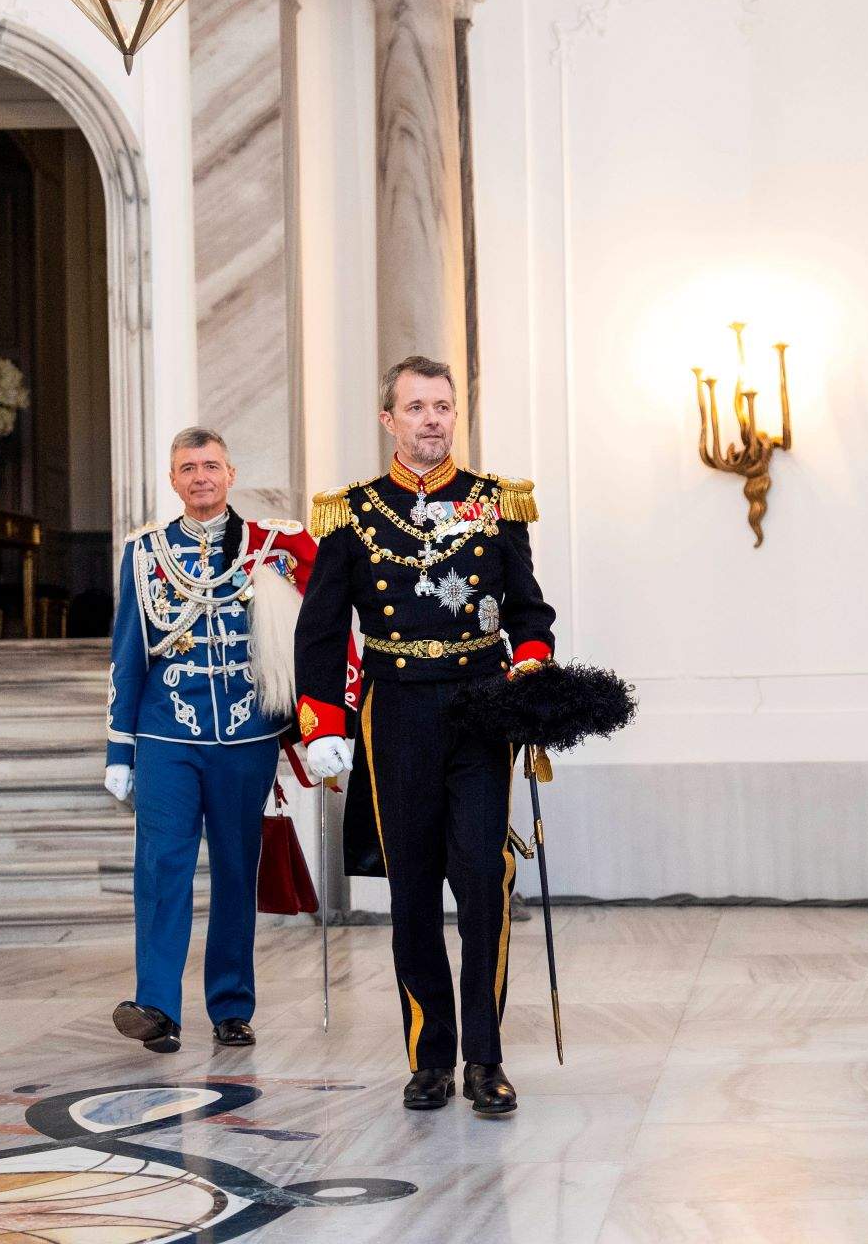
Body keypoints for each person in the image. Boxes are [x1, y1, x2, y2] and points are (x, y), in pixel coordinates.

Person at [293, 355, 556, 1119]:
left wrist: (533, 669)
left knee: (482, 880)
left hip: (480, 708)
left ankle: (486, 1060)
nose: (432, 420)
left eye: (442, 406)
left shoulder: (495, 504)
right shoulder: (350, 513)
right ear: (389, 420)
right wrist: (323, 724)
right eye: (416, 407)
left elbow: (529, 615)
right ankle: (429, 1057)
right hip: (397, 708)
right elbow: (319, 632)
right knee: (411, 890)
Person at [105, 426, 316, 1054]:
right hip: (166, 732)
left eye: (211, 466)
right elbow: (126, 653)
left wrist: (313, 726)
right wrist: (120, 750)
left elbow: (303, 636)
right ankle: (158, 1007)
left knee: (234, 870)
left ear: (230, 475)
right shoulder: (145, 554)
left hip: (247, 734)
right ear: (173, 481)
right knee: (161, 867)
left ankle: (230, 1005)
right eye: (187, 467)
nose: (200, 477)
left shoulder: (268, 547)